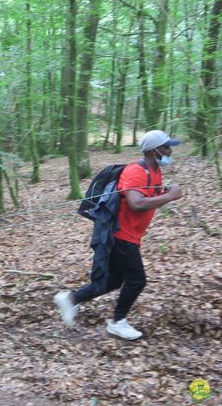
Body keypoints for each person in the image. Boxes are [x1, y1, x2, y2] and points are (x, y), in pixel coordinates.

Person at [54, 130, 183, 340]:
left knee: (114, 280)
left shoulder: (155, 171)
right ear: (154, 151)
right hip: (120, 235)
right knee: (137, 280)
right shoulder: (136, 172)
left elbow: (146, 196)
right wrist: (169, 196)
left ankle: (70, 299)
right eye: (167, 147)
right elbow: (136, 203)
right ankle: (117, 322)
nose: (170, 150)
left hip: (130, 235)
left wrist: (162, 193)